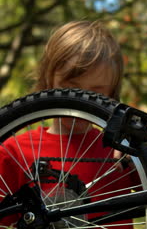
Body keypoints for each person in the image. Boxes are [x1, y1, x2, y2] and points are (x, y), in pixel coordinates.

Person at [0, 21, 136, 228]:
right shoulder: (13, 152)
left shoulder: (122, 152)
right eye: (71, 89)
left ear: (111, 94)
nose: (81, 101)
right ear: (49, 83)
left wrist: (139, 152)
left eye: (96, 93)